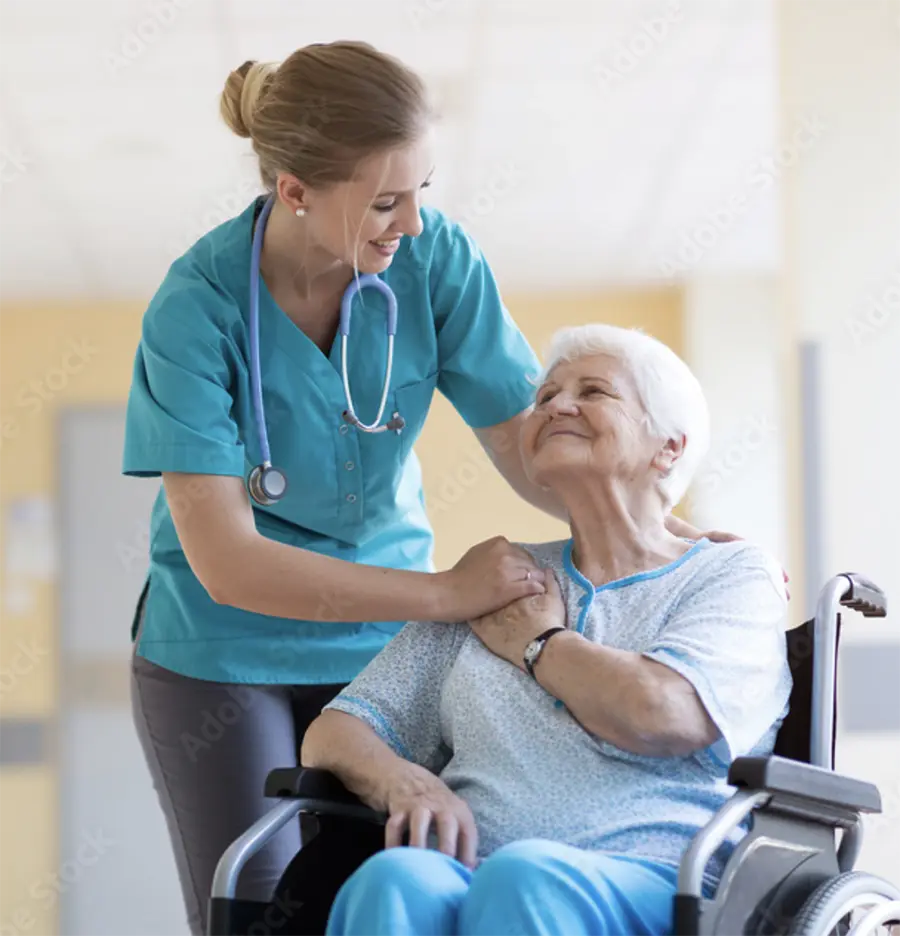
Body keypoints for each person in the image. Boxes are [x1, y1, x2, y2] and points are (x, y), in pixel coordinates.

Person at [123, 41, 729, 936]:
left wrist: (661, 535)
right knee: (259, 910)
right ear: (293, 191)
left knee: (400, 887)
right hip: (221, 652)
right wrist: (447, 594)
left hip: (382, 646)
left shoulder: (432, 259)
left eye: (422, 193)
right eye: (383, 202)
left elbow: (534, 446)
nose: (409, 224)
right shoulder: (197, 306)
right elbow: (229, 563)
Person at [301, 323, 793, 936]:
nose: (557, 404)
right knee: (394, 880)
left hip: (659, 878)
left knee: (523, 876)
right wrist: (406, 783)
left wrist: (542, 646)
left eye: (593, 392)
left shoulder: (729, 575)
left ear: (668, 448)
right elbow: (337, 730)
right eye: (545, 396)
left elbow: (664, 712)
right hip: (475, 871)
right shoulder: (497, 581)